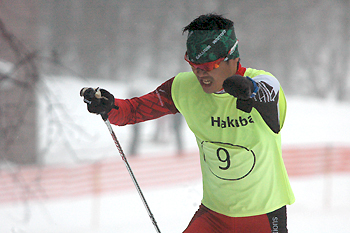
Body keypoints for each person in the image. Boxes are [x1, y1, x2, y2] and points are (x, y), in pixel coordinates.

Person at [80, 13, 295, 233]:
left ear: (232, 58)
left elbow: (266, 90)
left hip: (262, 217)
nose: (200, 74)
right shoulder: (184, 88)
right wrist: (109, 105)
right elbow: (132, 111)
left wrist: (248, 90)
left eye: (208, 66)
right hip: (214, 215)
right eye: (194, 65)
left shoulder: (263, 82)